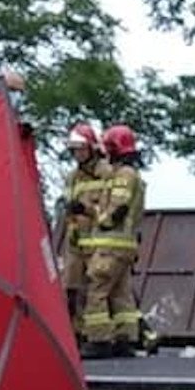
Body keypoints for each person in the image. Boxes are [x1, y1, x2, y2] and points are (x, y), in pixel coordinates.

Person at [78, 124, 147, 358]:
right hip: (124, 245)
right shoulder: (129, 173)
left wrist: (101, 218)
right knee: (121, 292)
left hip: (111, 244)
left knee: (96, 289)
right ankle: (125, 338)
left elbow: (117, 209)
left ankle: (98, 340)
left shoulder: (123, 175)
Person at [61, 123, 112, 339]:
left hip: (99, 242)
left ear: (92, 148)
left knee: (99, 291)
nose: (77, 154)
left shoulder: (106, 173)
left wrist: (87, 209)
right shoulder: (73, 177)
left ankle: (107, 336)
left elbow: (113, 210)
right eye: (73, 149)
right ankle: (75, 334)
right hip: (76, 243)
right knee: (71, 290)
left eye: (80, 148)